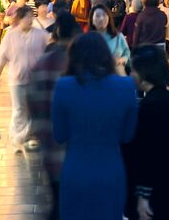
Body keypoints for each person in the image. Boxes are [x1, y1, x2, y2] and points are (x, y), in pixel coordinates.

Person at [52, 32, 139, 220]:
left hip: (75, 170)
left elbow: (59, 134)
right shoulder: (126, 86)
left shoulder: (63, 86)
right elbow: (127, 136)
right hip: (111, 171)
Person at [28, 11, 82, 220]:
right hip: (76, 147)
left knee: (57, 201)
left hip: (49, 142)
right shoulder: (77, 64)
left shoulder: (42, 63)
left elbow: (31, 101)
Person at [126, 45, 169, 220]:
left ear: (145, 73)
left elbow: (149, 153)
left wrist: (143, 196)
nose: (131, 74)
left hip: (156, 191)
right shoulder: (168, 99)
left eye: (134, 70)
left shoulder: (151, 106)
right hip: (168, 184)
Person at [0, 6, 49, 151]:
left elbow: (50, 49)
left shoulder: (40, 34)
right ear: (19, 19)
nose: (30, 19)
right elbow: (2, 57)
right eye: (27, 17)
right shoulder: (10, 36)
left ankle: (28, 136)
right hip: (16, 78)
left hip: (36, 79)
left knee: (33, 109)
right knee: (19, 109)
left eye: (32, 16)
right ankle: (17, 137)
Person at [89, 4, 130, 76]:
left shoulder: (118, 37)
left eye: (104, 15)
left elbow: (127, 53)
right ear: (92, 20)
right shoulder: (87, 39)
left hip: (116, 77)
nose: (101, 18)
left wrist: (121, 60)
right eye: (97, 16)